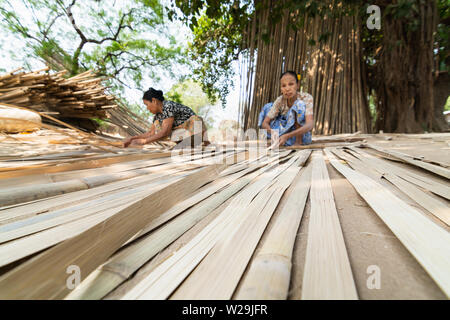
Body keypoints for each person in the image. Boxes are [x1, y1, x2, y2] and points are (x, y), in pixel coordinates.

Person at [123, 88, 208, 147]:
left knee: (196, 120)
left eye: (147, 105)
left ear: (154, 101)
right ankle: (186, 144)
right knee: (158, 126)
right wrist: (132, 138)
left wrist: (144, 142)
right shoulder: (157, 116)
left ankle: (204, 141)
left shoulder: (168, 106)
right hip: (185, 137)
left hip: (195, 132)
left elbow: (165, 132)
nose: (147, 108)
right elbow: (150, 133)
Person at [260, 71, 314, 146]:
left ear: (297, 85)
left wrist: (287, 136)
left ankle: (298, 142)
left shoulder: (306, 98)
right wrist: (274, 134)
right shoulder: (280, 101)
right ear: (281, 89)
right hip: (284, 134)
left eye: (291, 84)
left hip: (302, 137)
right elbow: (264, 123)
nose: (287, 89)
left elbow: (310, 124)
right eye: (284, 86)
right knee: (268, 107)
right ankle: (283, 141)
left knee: (299, 104)